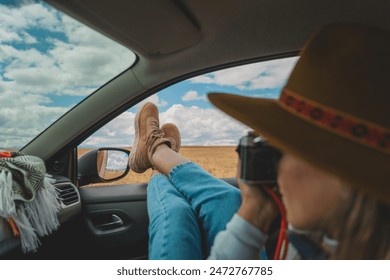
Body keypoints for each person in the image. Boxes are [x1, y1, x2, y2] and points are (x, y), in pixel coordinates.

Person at [128, 23, 390, 260]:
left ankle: (156, 154)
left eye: (283, 148)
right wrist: (256, 210)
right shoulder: (325, 239)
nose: (276, 166)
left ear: (347, 172)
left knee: (174, 216)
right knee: (229, 198)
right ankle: (156, 153)